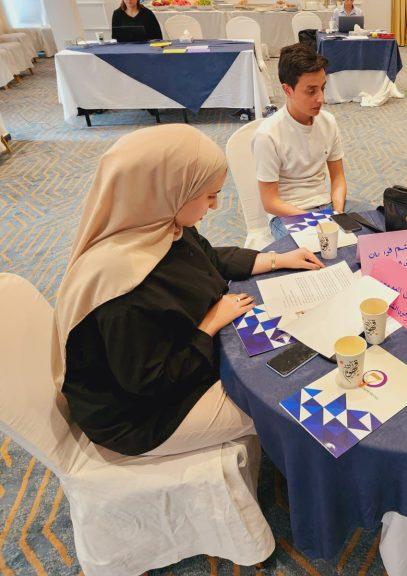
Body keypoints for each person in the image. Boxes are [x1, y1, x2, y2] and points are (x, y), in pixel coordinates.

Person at [52, 124, 324, 457]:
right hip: (145, 416)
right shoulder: (123, 289)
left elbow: (208, 259)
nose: (215, 206)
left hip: (180, 362)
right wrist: (209, 325)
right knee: (284, 403)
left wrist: (276, 259)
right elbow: (153, 383)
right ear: (172, 192)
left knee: (292, 356)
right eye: (209, 195)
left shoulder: (159, 225)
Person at [253, 43, 347, 240]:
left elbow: (338, 178)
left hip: (327, 207)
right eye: (311, 91)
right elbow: (270, 202)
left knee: (376, 225)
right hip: (287, 215)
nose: (320, 98)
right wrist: (315, 220)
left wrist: (338, 213)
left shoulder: (328, 122)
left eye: (322, 88)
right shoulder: (268, 135)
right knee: (317, 248)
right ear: (287, 90)